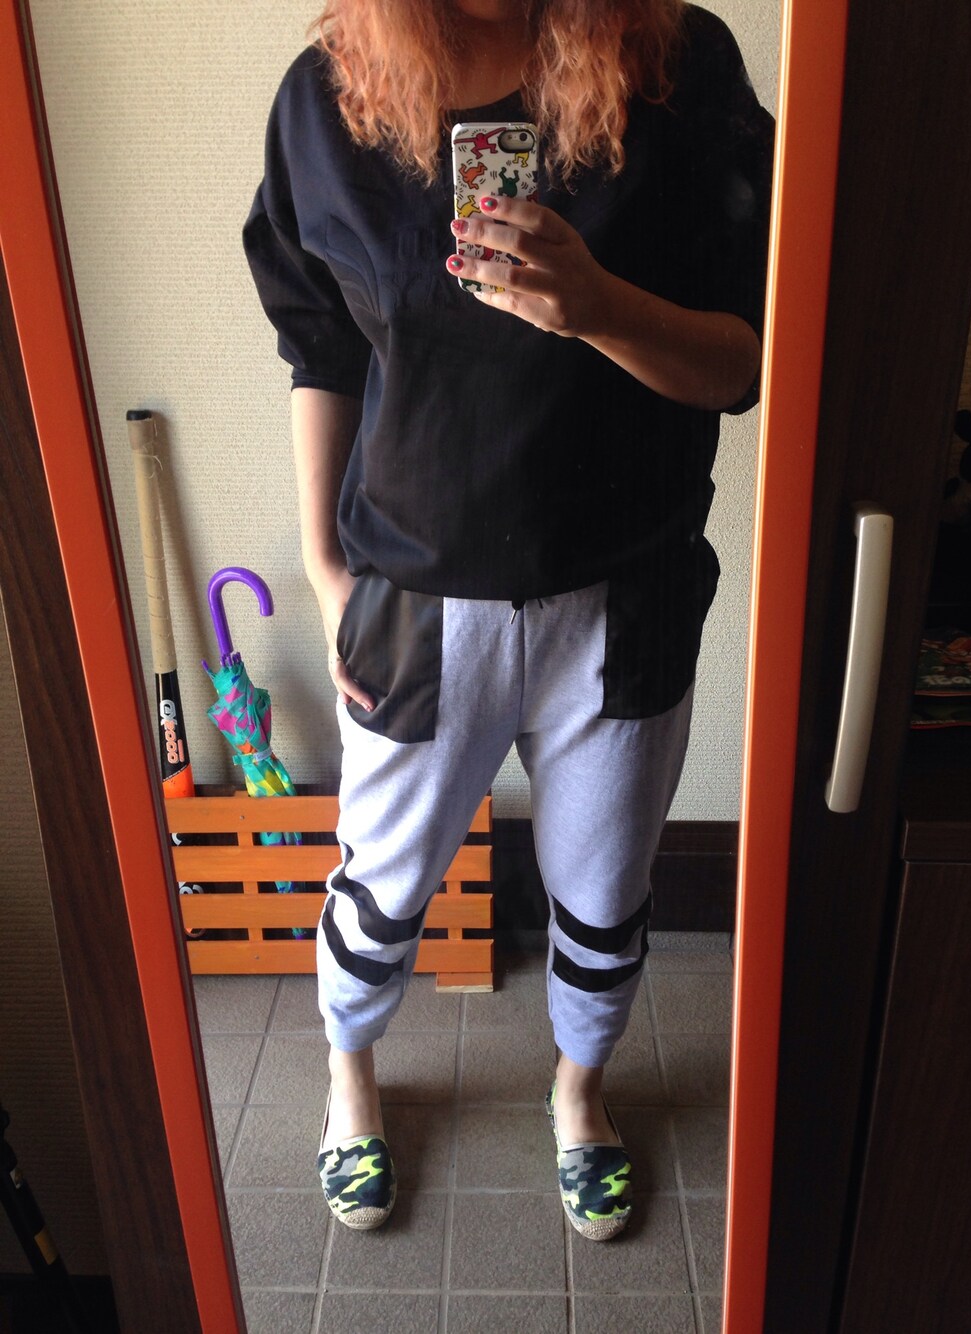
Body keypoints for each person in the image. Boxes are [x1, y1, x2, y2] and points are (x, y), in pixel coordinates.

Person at [244, 0, 773, 1240]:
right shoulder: (329, 95)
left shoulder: (680, 65)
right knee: (381, 880)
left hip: (625, 588)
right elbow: (319, 345)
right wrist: (323, 564)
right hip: (416, 593)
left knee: (604, 886)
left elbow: (743, 363)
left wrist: (597, 305)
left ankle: (579, 1093)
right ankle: (350, 1075)